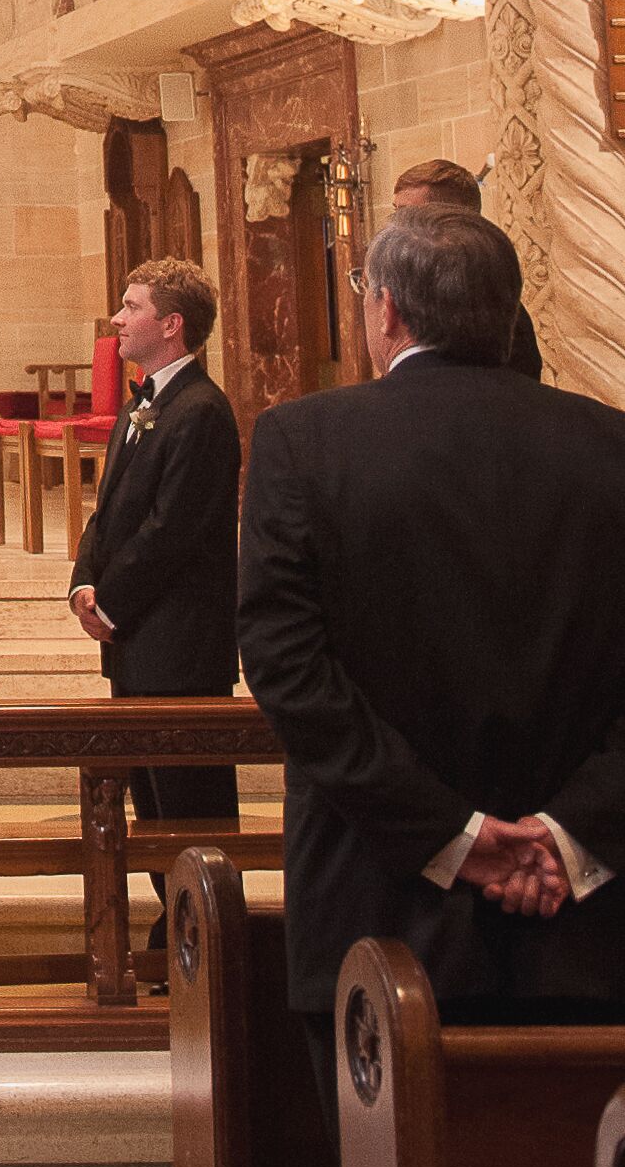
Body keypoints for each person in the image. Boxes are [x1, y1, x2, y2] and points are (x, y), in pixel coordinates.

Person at [237, 210, 625, 1105]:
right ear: (508, 312)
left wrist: (454, 841)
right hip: (586, 918)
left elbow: (289, 672)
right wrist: (567, 839)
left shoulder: (305, 442)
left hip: (377, 903)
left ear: (384, 312)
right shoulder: (610, 447)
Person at [68, 258, 243, 877]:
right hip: (139, 640)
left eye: (132, 306)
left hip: (180, 645)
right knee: (153, 812)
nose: (118, 317)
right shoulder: (144, 402)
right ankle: (176, 936)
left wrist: (111, 602)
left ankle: (212, 948)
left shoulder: (200, 409)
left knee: (190, 814)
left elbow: (172, 530)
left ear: (171, 324)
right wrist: (84, 583)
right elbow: (108, 506)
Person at [391, 155, 543, 376]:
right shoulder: (411, 293)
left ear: (456, 220)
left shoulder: (493, 308)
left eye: (407, 215)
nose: (394, 228)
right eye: (396, 212)